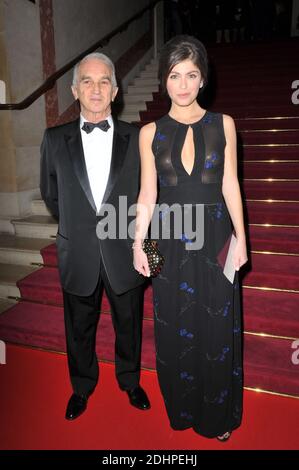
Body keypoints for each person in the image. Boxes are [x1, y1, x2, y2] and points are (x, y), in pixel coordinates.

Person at [133, 35, 247, 441]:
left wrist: (243, 240)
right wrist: (138, 245)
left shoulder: (224, 125)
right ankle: (182, 410)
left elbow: (231, 185)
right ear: (165, 79)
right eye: (175, 75)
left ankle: (216, 418)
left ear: (203, 80)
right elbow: (148, 195)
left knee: (216, 327)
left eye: (192, 75)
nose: (183, 84)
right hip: (166, 241)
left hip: (217, 239)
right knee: (172, 323)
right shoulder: (149, 133)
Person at [40, 52, 150, 421]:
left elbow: (147, 194)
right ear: (75, 90)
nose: (96, 88)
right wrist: (79, 225)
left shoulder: (138, 138)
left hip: (126, 250)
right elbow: (50, 193)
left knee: (129, 323)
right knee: (79, 328)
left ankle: (130, 380)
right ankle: (82, 386)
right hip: (78, 252)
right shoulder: (54, 139)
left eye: (104, 81)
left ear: (116, 90)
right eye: (87, 81)